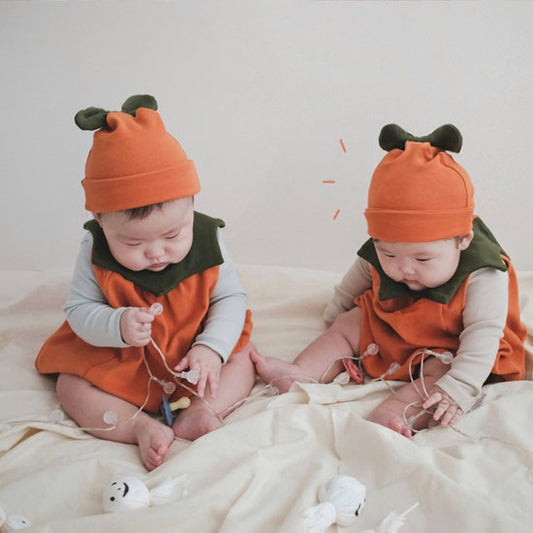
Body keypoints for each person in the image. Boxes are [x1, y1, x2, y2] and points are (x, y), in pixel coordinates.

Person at [252, 124, 526, 437]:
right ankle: (302, 372)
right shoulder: (387, 247)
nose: (403, 269)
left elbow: (483, 332)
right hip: (396, 324)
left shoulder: (485, 270)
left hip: (452, 342)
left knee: (443, 373)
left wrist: (460, 388)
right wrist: (336, 319)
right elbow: (354, 281)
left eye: (422, 260)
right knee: (350, 322)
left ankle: (397, 411)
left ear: (462, 240)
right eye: (389, 256)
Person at [36, 95, 256, 470]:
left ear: (191, 204)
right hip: (123, 355)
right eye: (133, 243)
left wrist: (212, 349)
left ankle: (201, 411)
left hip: (192, 349)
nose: (156, 253)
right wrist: (116, 324)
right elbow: (78, 309)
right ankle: (136, 426)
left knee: (242, 359)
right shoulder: (93, 248)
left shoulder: (209, 239)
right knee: (70, 386)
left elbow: (231, 298)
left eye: (172, 235)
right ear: (100, 220)